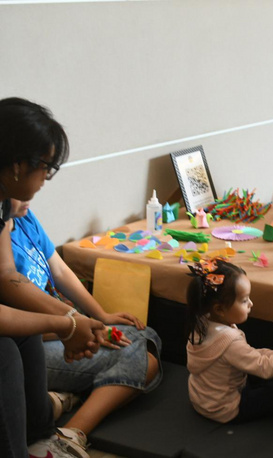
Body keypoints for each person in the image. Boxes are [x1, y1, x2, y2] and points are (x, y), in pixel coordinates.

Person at [9, 198, 163, 458]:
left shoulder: (25, 217)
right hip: (34, 344)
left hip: (64, 328)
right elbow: (17, 324)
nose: (30, 195)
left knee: (145, 334)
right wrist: (75, 330)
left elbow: (59, 270)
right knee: (145, 360)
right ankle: (70, 435)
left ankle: (59, 399)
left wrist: (101, 316)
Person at [0, 97, 105, 458]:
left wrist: (73, 318)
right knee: (4, 356)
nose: (47, 176)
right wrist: (65, 325)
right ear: (16, 165)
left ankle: (41, 437)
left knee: (25, 337)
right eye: (45, 166)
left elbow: (6, 276)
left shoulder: (4, 203)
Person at [186, 257, 273, 423]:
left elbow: (248, 356)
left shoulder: (202, 322)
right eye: (244, 300)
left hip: (202, 398)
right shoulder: (229, 341)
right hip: (224, 408)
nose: (251, 304)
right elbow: (265, 368)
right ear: (220, 309)